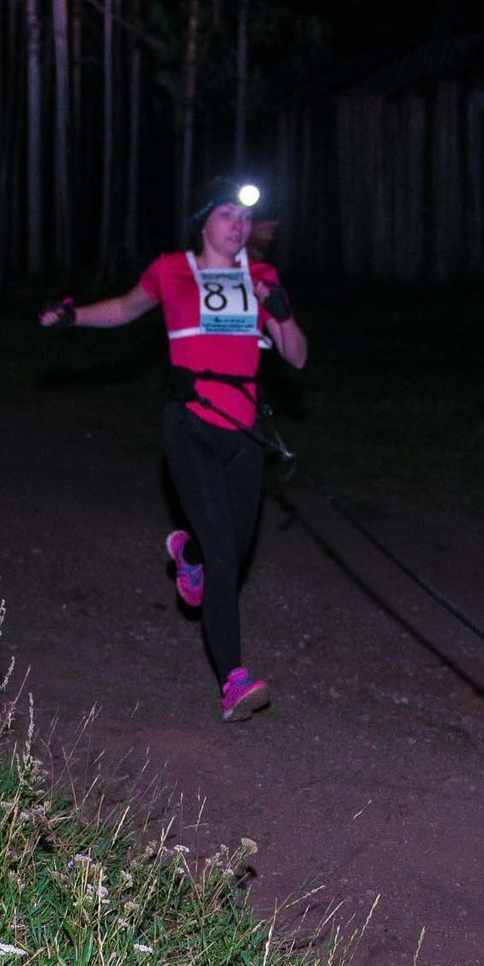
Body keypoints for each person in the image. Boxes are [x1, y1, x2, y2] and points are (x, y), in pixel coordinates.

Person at [40, 178, 309, 722]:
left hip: (247, 433)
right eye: (226, 214)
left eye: (243, 218)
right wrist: (72, 316)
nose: (237, 225)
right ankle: (233, 679)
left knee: (228, 547)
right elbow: (121, 308)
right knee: (226, 558)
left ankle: (189, 554)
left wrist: (281, 313)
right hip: (190, 427)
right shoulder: (171, 270)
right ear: (203, 223)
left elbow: (297, 358)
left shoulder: (260, 278)